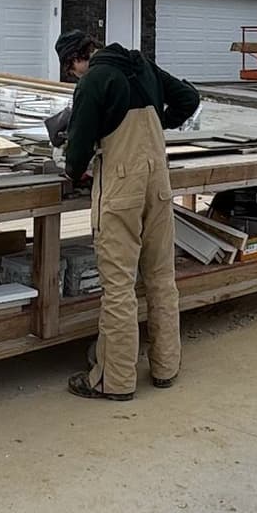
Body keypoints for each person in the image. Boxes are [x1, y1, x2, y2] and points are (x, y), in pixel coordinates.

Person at [55, 29, 201, 401]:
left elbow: (78, 150)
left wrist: (72, 171)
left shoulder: (94, 81)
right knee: (160, 276)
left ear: (75, 61)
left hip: (121, 186)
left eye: (71, 71)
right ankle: (166, 366)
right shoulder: (142, 66)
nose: (75, 76)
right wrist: (161, 123)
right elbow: (189, 98)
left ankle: (113, 380)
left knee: (118, 286)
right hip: (159, 182)